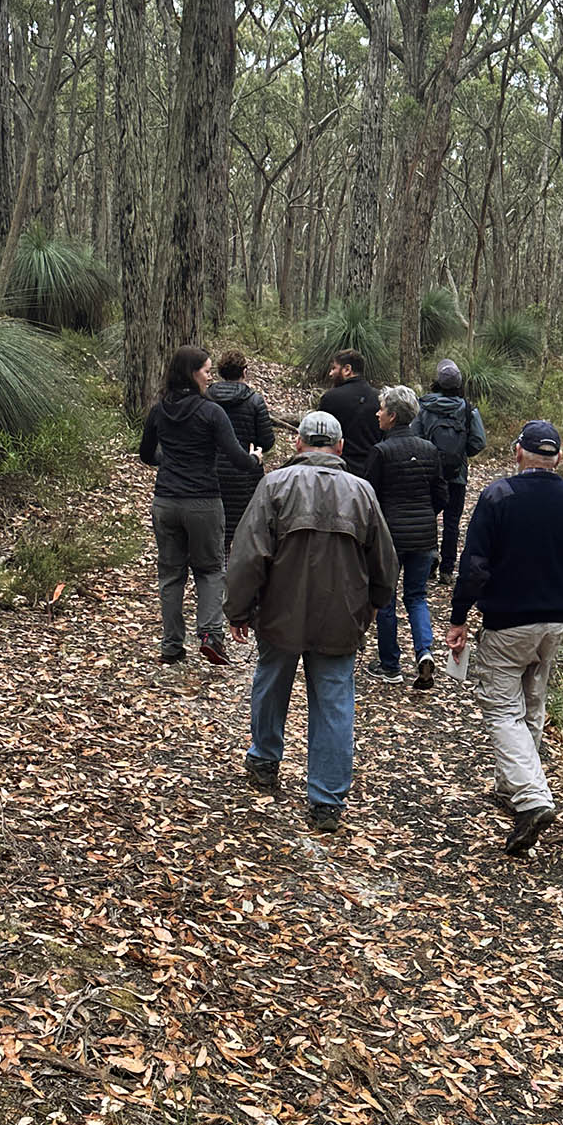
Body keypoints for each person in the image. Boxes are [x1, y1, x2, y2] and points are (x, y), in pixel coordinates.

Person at [225, 409, 397, 832]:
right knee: (335, 704)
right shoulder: (362, 493)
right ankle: (326, 800)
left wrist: (238, 608)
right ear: (340, 448)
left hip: (280, 613)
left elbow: (248, 555)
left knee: (270, 682)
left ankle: (264, 761)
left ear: (298, 444)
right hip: (341, 616)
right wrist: (374, 603)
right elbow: (385, 563)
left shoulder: (274, 486)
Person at [446, 420, 563, 856]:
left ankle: (532, 799)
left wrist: (459, 618)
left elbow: (474, 564)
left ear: (518, 453)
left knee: (502, 711)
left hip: (507, 623)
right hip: (554, 623)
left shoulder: (498, 496)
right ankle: (513, 788)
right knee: (532, 704)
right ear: (559, 457)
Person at [139, 346, 260, 666]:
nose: (210, 376)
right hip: (203, 501)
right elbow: (236, 457)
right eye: (206, 370)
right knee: (209, 570)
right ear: (193, 373)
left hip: (165, 501)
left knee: (170, 574)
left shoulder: (159, 410)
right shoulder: (211, 412)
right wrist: (255, 459)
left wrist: (171, 461)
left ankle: (171, 645)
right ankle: (210, 635)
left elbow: (146, 454)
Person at [363, 384, 445, 691]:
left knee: (386, 599)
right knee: (417, 595)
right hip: (424, 535)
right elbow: (441, 494)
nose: (377, 413)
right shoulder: (429, 449)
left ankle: (390, 665)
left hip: (390, 537)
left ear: (393, 416)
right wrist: (425, 514)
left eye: (382, 408)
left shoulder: (381, 452)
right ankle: (425, 651)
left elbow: (368, 496)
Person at [413, 360, 485, 582]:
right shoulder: (467, 409)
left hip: (429, 474)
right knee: (452, 521)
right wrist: (461, 453)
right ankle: (447, 569)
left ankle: (429, 563)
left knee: (428, 518)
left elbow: (414, 436)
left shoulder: (423, 406)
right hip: (457, 475)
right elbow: (478, 441)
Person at [208, 348, 277, 549]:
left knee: (216, 532)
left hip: (212, 471)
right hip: (246, 473)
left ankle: (217, 573)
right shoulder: (254, 401)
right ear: (244, 372)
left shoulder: (206, 397)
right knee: (243, 530)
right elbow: (267, 440)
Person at [318, 348, 381, 477]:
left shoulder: (331, 398)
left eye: (334, 368)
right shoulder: (380, 398)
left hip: (338, 472)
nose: (331, 373)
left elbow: (321, 437)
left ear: (347, 369)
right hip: (372, 472)